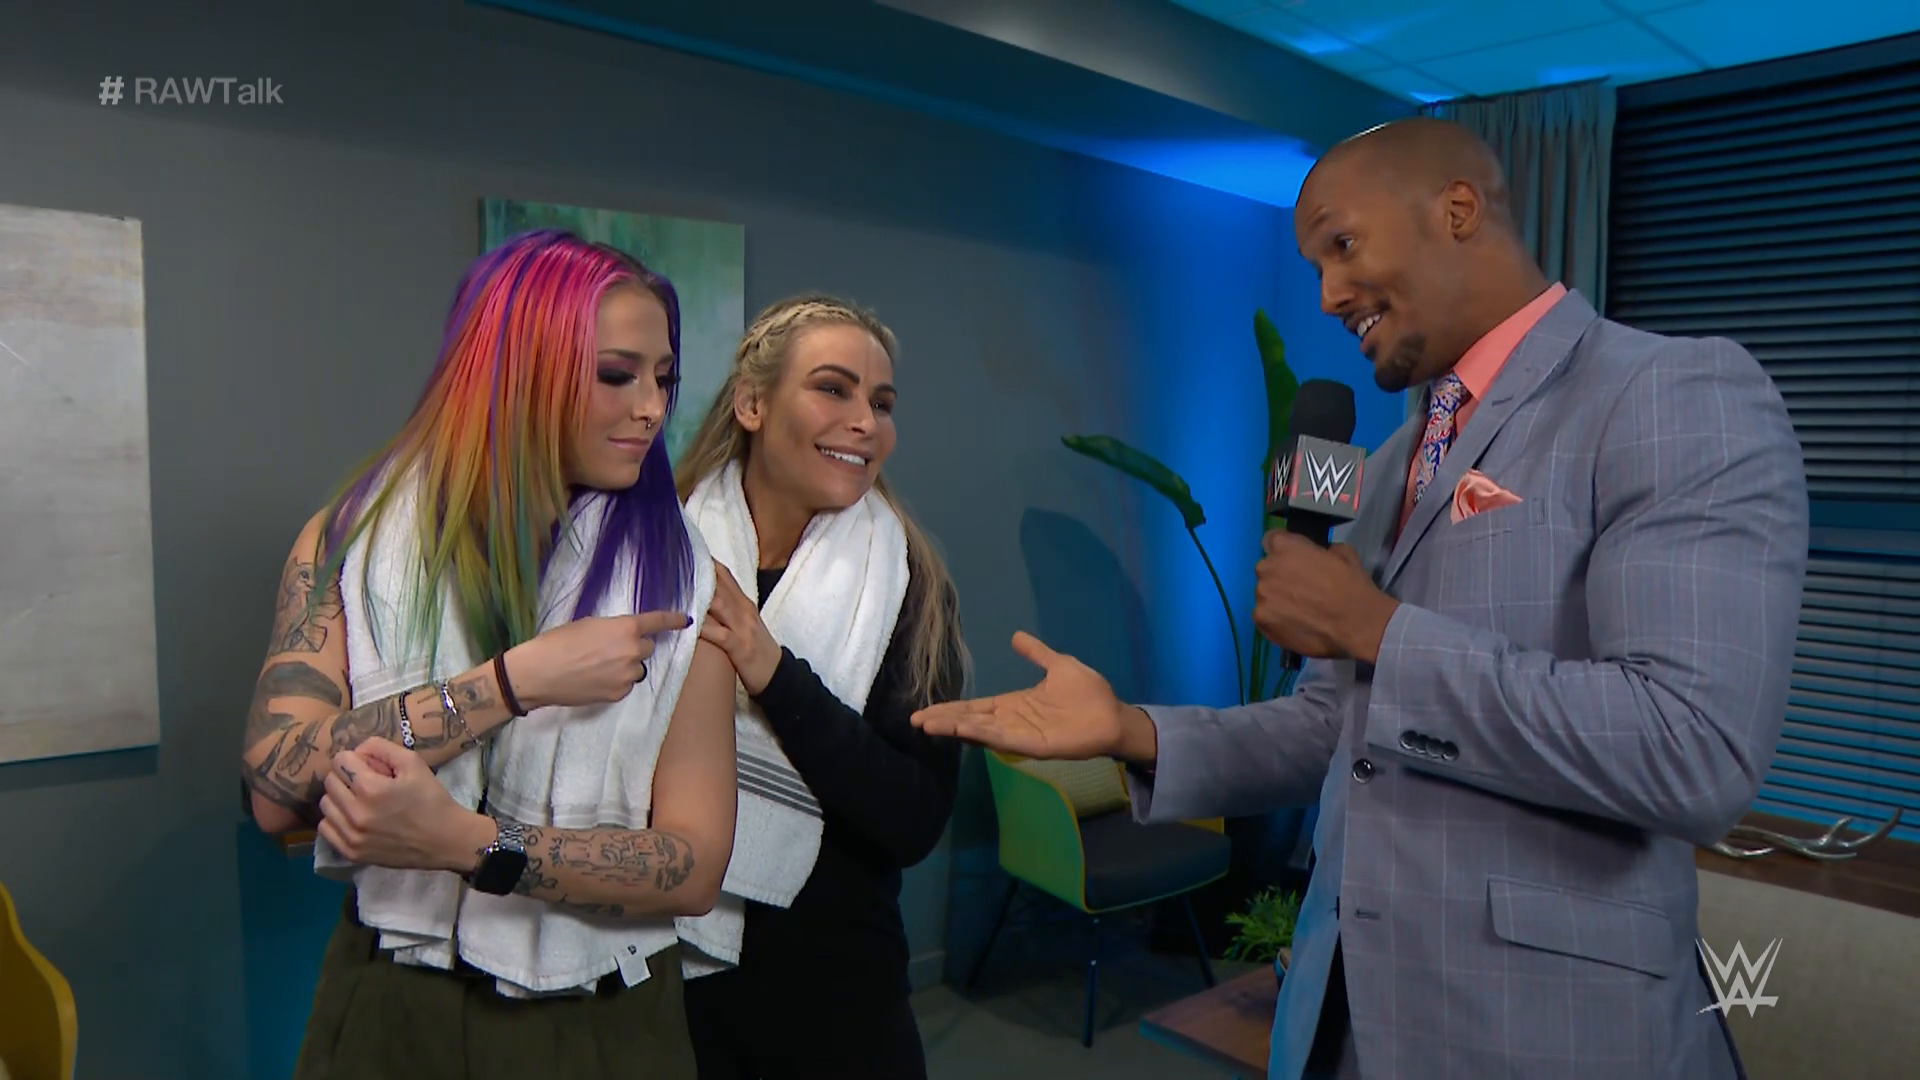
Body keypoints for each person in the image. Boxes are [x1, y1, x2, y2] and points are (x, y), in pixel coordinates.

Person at [914, 116, 1807, 1080]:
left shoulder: (1672, 392)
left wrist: (1377, 629)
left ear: (1457, 210)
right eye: (1315, 267)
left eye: (1342, 245)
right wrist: (1131, 730)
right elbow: (1331, 725)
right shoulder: (1383, 466)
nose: (1330, 295)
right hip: (1339, 1022)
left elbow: (1692, 748)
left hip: (1547, 1035)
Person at [239, 229, 739, 1080]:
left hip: (603, 1015)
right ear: (517, 369)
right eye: (616, 374)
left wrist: (468, 842)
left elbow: (692, 869)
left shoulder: (683, 580)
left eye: (663, 377)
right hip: (394, 998)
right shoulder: (348, 540)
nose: (653, 408)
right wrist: (513, 683)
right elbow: (275, 788)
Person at [670, 294, 968, 1080]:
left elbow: (914, 820)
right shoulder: (662, 555)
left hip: (838, 988)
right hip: (665, 975)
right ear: (752, 404)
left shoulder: (910, 587)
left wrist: (773, 673)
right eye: (833, 389)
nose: (865, 421)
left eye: (882, 402)